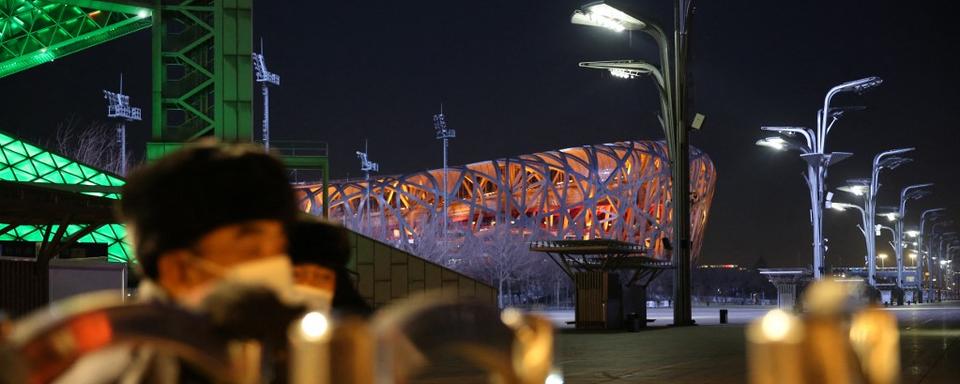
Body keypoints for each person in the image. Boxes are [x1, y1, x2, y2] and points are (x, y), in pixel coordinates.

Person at [55, 142, 304, 383]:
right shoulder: (133, 369)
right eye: (252, 250)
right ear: (179, 270)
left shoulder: (258, 354)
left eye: (281, 249)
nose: (277, 266)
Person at [288, 217, 373, 317]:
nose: (308, 284)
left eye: (323, 277)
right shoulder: (268, 317)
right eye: (296, 275)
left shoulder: (357, 326)